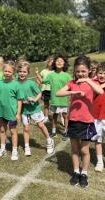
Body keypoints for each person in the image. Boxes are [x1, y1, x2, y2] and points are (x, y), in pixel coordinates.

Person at [56, 55, 104, 188]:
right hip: (73, 121)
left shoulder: (92, 82)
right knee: (75, 149)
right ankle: (76, 172)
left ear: (89, 70)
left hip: (87, 121)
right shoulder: (72, 83)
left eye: (83, 71)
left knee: (84, 150)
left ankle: (84, 173)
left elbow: (100, 91)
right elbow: (58, 93)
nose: (80, 74)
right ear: (74, 71)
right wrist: (73, 91)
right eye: (78, 71)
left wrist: (87, 80)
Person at [17, 61, 54, 156]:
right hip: (24, 111)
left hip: (34, 109)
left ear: (28, 73)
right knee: (26, 128)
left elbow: (39, 93)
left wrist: (34, 100)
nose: (22, 73)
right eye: (20, 71)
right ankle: (27, 146)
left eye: (24, 72)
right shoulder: (15, 83)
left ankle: (49, 140)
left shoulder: (31, 83)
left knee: (41, 125)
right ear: (17, 72)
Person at [0, 61, 23, 161]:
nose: (7, 73)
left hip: (12, 112)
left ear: (13, 72)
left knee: (13, 131)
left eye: (9, 71)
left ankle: (14, 150)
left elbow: (19, 100)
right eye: (5, 71)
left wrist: (18, 113)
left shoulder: (16, 84)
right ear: (3, 71)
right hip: (1, 111)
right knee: (2, 130)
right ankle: (2, 149)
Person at [42, 54, 72, 139]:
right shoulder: (51, 75)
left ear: (64, 64)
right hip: (54, 100)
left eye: (61, 61)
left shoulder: (67, 75)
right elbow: (44, 81)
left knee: (65, 115)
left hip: (63, 100)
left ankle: (66, 131)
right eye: (57, 61)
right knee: (55, 115)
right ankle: (54, 131)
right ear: (54, 63)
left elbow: (72, 85)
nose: (59, 62)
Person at [91, 63, 105, 172]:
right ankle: (100, 161)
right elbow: (95, 92)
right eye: (100, 73)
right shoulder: (94, 83)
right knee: (98, 140)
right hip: (96, 117)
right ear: (96, 73)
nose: (103, 75)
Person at [36, 55, 54, 123]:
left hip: (53, 90)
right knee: (46, 104)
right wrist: (37, 87)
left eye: (53, 62)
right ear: (47, 62)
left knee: (55, 103)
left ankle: (58, 115)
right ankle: (46, 117)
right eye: (50, 62)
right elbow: (39, 79)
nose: (51, 64)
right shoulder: (43, 71)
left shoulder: (54, 71)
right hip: (45, 90)